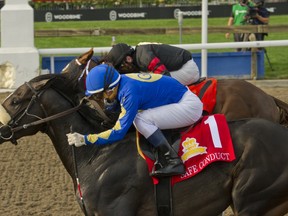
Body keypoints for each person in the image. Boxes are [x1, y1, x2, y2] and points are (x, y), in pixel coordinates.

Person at [66, 63, 203, 177]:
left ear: (109, 90)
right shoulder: (122, 80)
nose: (99, 99)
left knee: (141, 120)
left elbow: (118, 132)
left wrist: (86, 139)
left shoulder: (129, 92)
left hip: (188, 107)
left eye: (98, 96)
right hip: (180, 98)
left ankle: (173, 161)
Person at [103, 42, 200, 86]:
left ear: (128, 59)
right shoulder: (139, 56)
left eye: (121, 67)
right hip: (178, 68)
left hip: (186, 69)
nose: (122, 71)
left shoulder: (144, 57)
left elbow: (165, 78)